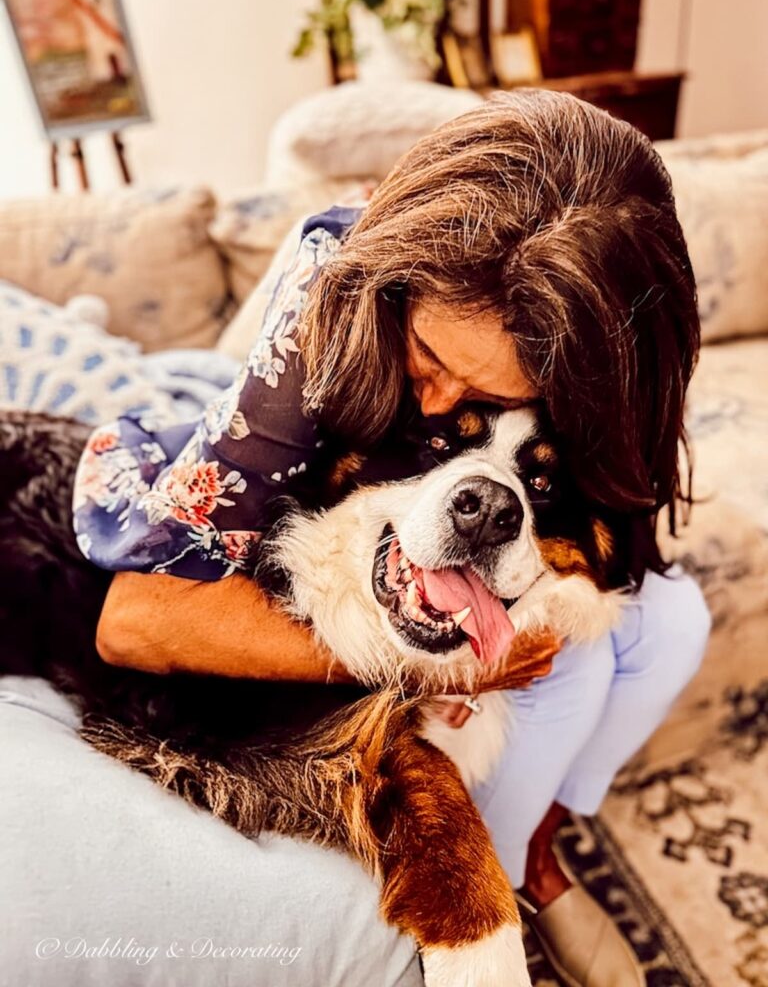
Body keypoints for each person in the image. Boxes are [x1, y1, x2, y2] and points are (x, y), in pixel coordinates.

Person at [72, 89, 711, 986]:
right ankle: (493, 871)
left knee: (670, 625)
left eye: (489, 390)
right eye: (432, 361)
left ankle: (535, 849)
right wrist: (431, 665)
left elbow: (618, 533)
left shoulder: (605, 349)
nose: (445, 403)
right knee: (550, 665)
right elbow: (134, 621)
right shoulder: (329, 305)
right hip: (258, 453)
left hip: (478, 498)